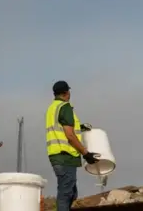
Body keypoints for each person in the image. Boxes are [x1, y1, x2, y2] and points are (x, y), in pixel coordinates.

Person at [46, 81, 100, 211]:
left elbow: (63, 128)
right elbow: (70, 135)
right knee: (66, 194)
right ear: (66, 93)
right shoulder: (65, 107)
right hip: (65, 156)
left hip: (57, 156)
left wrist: (80, 127)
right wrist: (86, 154)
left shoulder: (52, 108)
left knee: (70, 193)